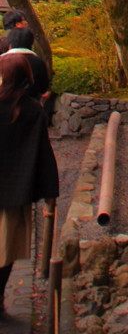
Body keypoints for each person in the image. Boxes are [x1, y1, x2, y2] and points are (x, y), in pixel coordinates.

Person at [0, 53, 59, 317]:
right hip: (14, 191)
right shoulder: (32, 109)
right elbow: (41, 151)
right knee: (6, 249)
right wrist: (50, 192)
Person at [4, 27, 50, 100]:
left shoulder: (2, 60)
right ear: (31, 43)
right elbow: (43, 88)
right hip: (30, 106)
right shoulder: (38, 62)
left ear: (10, 43)